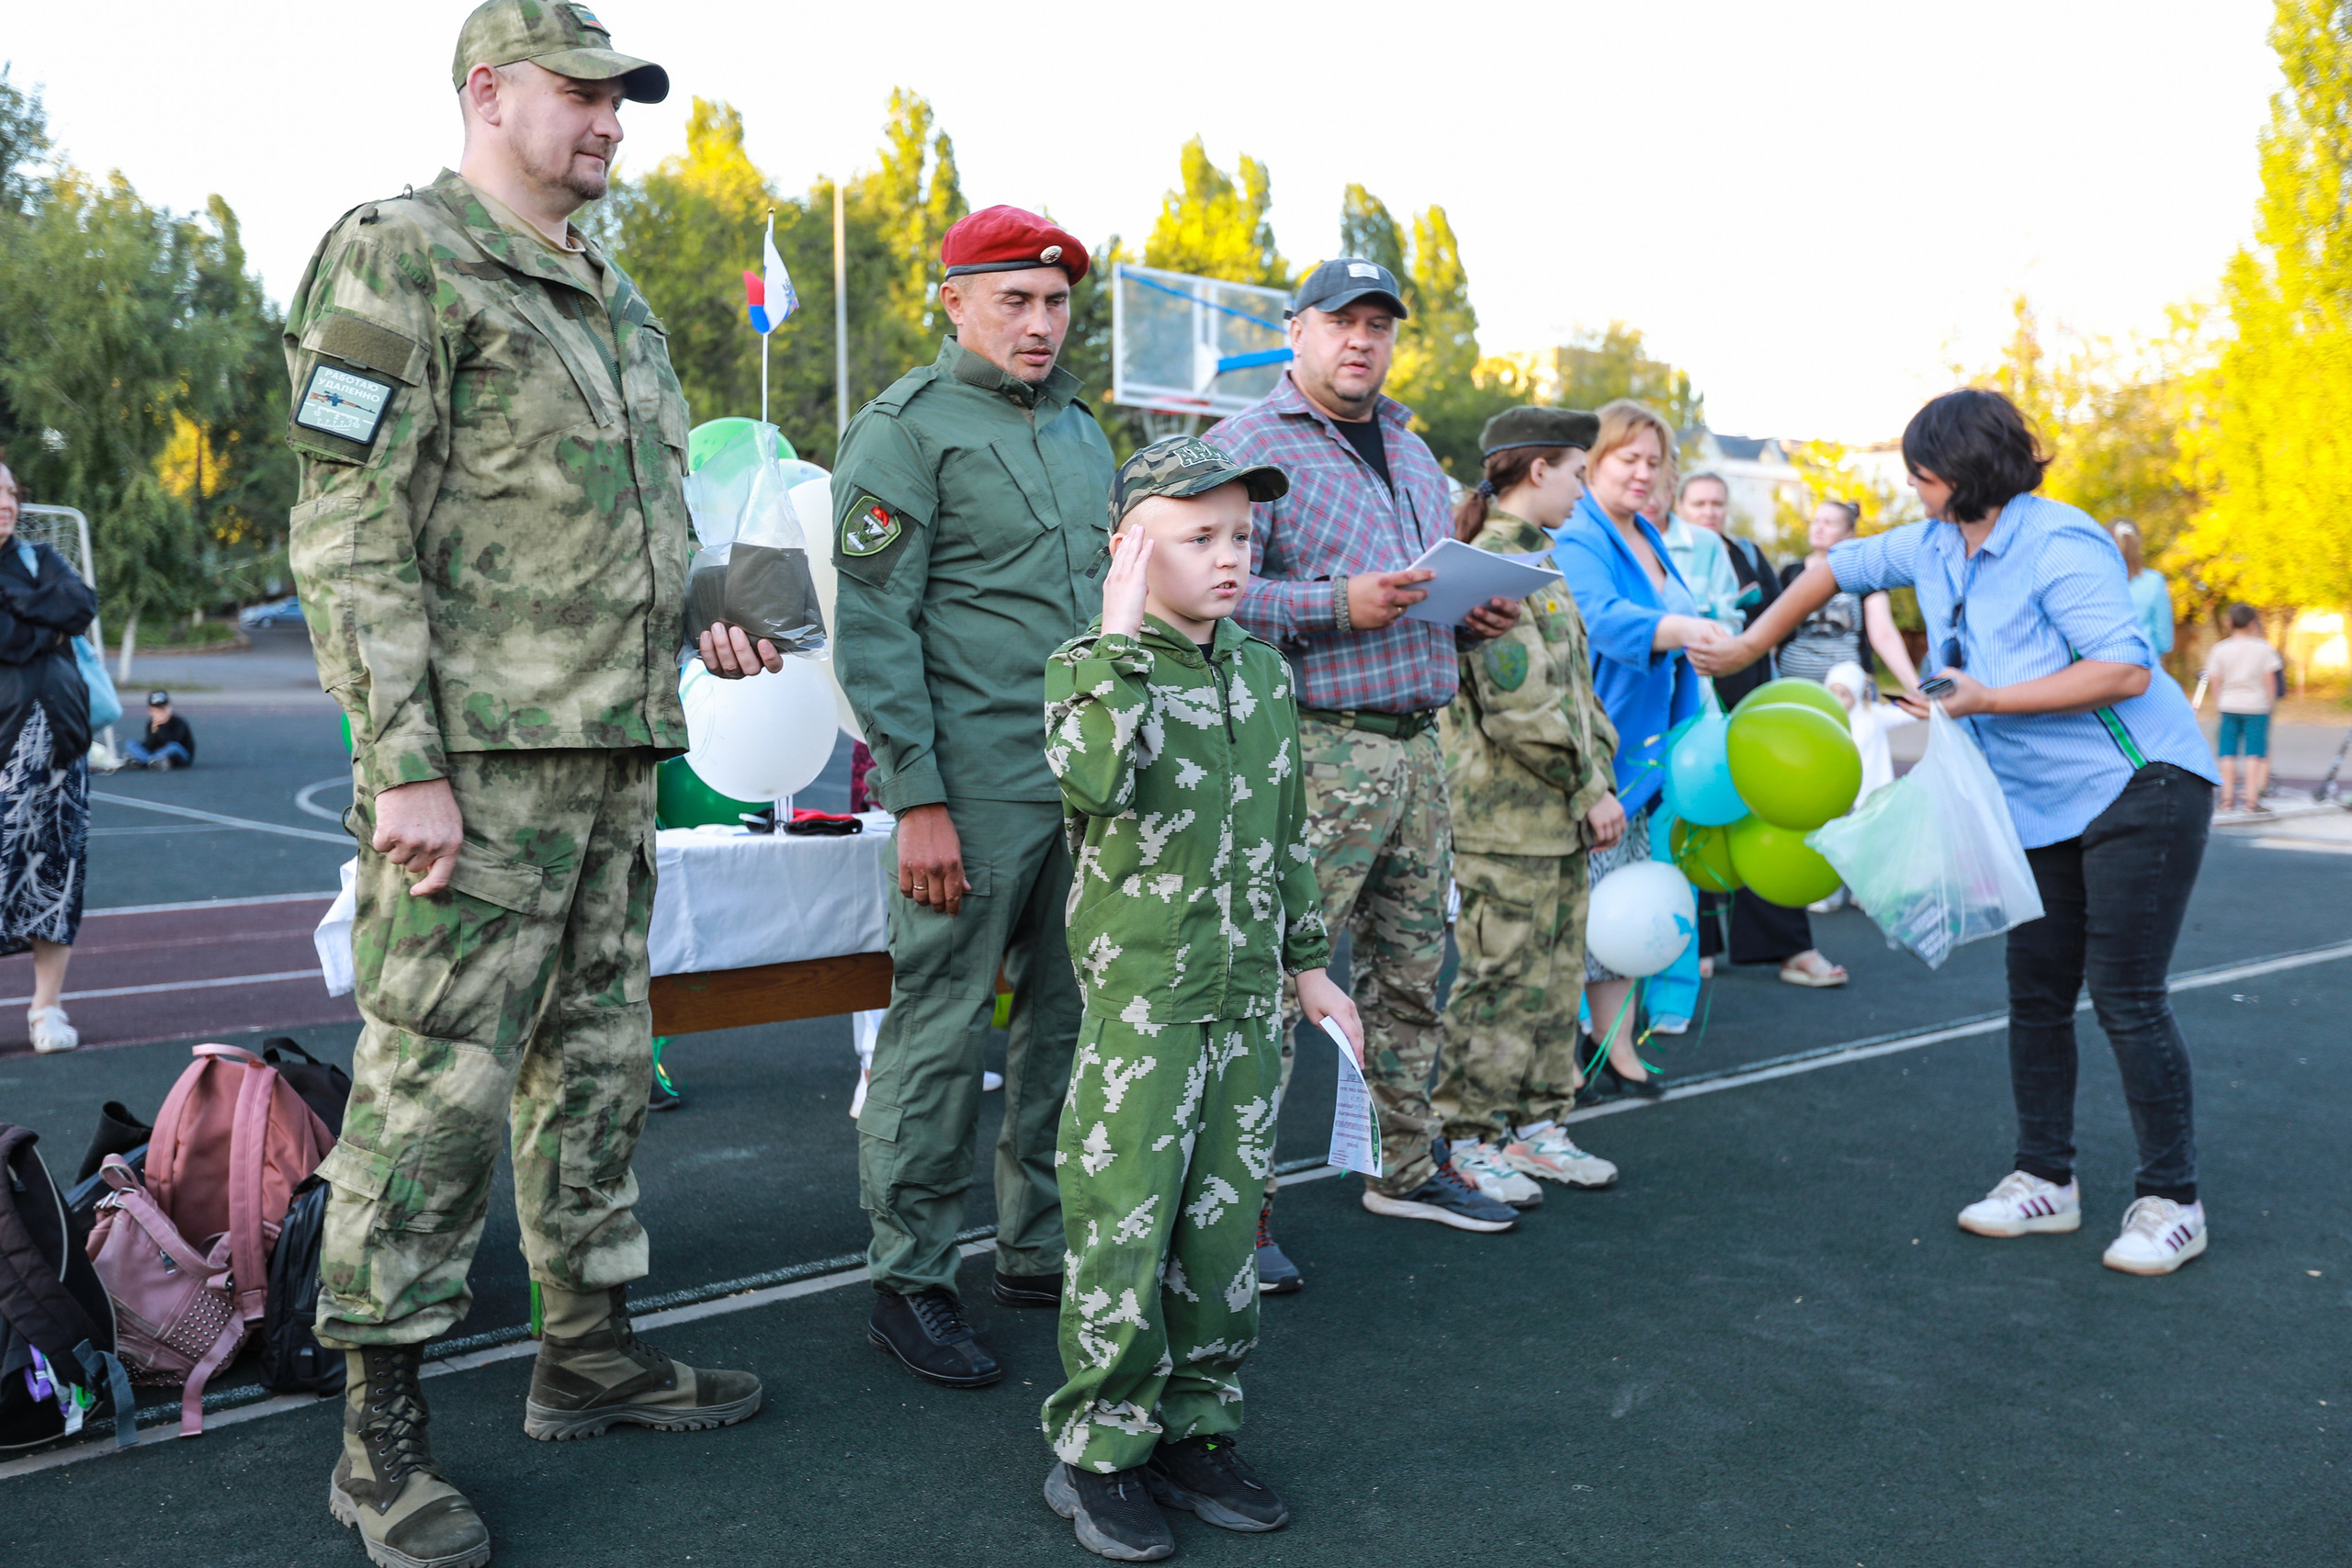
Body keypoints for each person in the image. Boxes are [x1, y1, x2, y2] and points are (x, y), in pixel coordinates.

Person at [285, 10, 763, 1564]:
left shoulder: (617, 304)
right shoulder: (400, 257)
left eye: (624, 97)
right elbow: (351, 527)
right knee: (432, 1091)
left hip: (616, 756)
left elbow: (625, 530)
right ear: (488, 93)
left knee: (599, 1068)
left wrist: (712, 601)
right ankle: (380, 1436)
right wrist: (402, 761)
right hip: (475, 775)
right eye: (586, 93)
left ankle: (590, 1349)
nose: (614, 122)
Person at [1692, 387, 2221, 1276]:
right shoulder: (1931, 542)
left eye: (1922, 471)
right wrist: (1749, 650)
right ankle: (2043, 1180)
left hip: (2142, 783)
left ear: (1967, 471)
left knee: (2125, 995)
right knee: (2037, 992)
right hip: (2037, 800)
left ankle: (2173, 1201)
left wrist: (1986, 699)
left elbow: (2126, 671)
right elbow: (1830, 566)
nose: (1915, 485)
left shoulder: (2060, 541)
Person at [1036, 435, 1358, 1561]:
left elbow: (1287, 834)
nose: (1230, 559)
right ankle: (1098, 1448)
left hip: (1246, 1006)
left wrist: (1311, 966)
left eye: (1241, 537)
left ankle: (1197, 1429)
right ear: (1130, 549)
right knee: (1127, 1226)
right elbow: (1091, 779)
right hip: (1148, 1009)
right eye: (1199, 537)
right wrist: (1119, 629)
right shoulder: (1089, 666)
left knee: (1224, 1228)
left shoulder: (1261, 674)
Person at [830, 205, 1114, 1384]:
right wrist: (921, 800)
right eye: (1015, 300)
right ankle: (910, 1278)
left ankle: (1038, 1248)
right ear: (953, 300)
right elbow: (874, 625)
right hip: (975, 788)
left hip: (1087, 786)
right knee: (942, 1035)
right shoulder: (904, 429)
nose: (1040, 323)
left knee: (1069, 1026)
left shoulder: (1087, 433)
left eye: (1055, 303)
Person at [1210, 255, 1524, 1270]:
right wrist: (1334, 603)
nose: (1361, 340)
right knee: (1275, 983)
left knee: (1408, 974)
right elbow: (1208, 593)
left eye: (1379, 325)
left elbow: (1418, 600)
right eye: (1341, 321)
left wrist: (1470, 620)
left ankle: (1405, 1166)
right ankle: (1233, 1214)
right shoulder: (1243, 445)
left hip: (1414, 745)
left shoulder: (1411, 447)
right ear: (1295, 330)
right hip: (1310, 748)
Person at [1429, 407, 1625, 1208]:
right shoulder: (1490, 565)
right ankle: (1469, 1134)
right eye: (1579, 472)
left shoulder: (1539, 561)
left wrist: (1600, 772)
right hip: (1505, 820)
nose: (1585, 490)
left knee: (1552, 980)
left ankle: (1535, 1125)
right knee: (1499, 976)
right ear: (1537, 470)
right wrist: (1590, 786)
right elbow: (1521, 705)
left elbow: (1580, 694)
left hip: (1556, 820)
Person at [1550, 400, 1725, 1096]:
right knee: (1575, 916)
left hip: (1649, 755)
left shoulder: (1647, 532)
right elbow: (1602, 618)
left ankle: (1616, 1044)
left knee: (1626, 908)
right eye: (1630, 458)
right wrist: (1687, 628)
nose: (1645, 473)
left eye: (1655, 462)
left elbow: (1674, 627)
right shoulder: (1578, 532)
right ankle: (1555, 1059)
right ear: (1593, 462)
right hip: (1596, 750)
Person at [0, 455, 97, 1056]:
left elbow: (80, 606)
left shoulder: (41, 558)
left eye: (10, 492)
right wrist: (44, 619)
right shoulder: (40, 575)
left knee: (56, 877)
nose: (6, 502)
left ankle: (46, 1009)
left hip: (61, 746)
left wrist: (17, 605)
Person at [1777, 501, 1924, 697]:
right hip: (1793, 689)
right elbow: (1773, 630)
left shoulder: (1863, 574)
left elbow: (1883, 633)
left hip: (1848, 693)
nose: (1819, 528)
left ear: (1848, 533)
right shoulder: (1790, 573)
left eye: (1829, 523)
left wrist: (1916, 688)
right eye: (1816, 521)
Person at [2206, 604, 2284, 813]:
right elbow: (2270, 680)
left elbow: (2214, 679)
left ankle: (2227, 799)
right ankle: (2251, 800)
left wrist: (2219, 701)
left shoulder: (2220, 649)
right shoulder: (2263, 648)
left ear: (2230, 623)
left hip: (2229, 703)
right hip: (2256, 705)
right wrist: (2270, 704)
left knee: (2227, 753)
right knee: (2254, 753)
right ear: (2252, 623)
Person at [2111, 521, 2174, 660]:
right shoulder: (2155, 581)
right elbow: (2164, 639)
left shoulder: (2100, 580)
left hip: (2106, 664)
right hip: (2145, 662)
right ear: (2138, 544)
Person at [123, 690, 195, 771]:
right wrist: (154, 732)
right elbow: (149, 746)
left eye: (163, 709)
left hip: (180, 754)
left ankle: (144, 761)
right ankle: (152, 761)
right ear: (150, 711)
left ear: (170, 708)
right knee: (131, 743)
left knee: (173, 746)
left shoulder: (179, 723)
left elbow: (172, 741)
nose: (160, 713)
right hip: (156, 753)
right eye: (156, 710)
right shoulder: (150, 724)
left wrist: (161, 727)